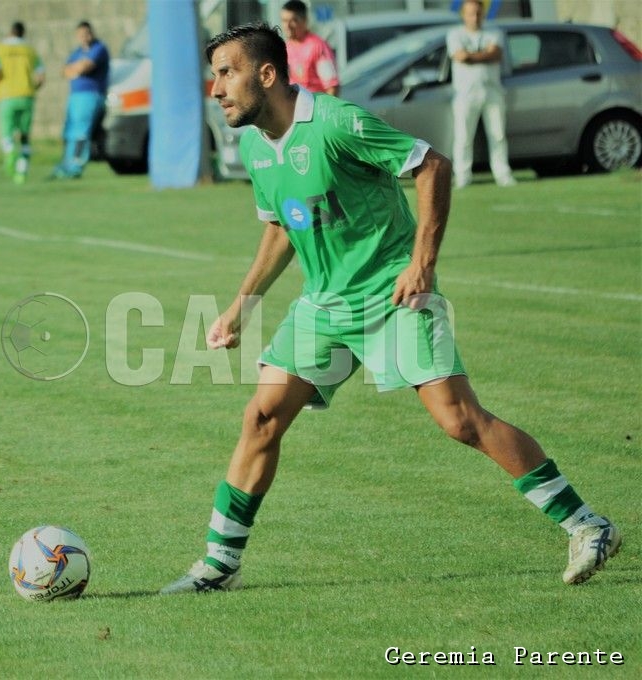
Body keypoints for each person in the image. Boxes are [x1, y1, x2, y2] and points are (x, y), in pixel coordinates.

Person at [160, 22, 620, 594]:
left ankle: (587, 524)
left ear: (268, 74)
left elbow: (433, 166)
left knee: (459, 421)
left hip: (392, 295)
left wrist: (421, 263)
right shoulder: (254, 144)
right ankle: (218, 567)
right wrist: (241, 306)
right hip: (325, 307)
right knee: (261, 418)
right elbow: (283, 226)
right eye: (214, 76)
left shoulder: (336, 123)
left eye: (226, 73)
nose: (216, 89)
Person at [447, 0, 516, 188]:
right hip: (465, 94)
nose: (475, 18)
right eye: (471, 14)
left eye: (478, 13)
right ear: (463, 15)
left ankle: (502, 174)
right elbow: (461, 56)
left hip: (492, 91)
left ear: (483, 14)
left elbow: (495, 54)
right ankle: (462, 176)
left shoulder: (494, 32)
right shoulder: (455, 34)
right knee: (463, 137)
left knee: (498, 135)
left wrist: (473, 56)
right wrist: (482, 55)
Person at [0, 21, 45, 185]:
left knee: (6, 134)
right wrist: (33, 88)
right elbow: (41, 77)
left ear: (9, 32)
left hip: (6, 97)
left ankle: (10, 152)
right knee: (25, 137)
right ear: (23, 33)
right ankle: (21, 172)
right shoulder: (30, 50)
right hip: (27, 96)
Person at [52, 21, 108, 179]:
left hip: (90, 95)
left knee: (80, 132)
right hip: (75, 96)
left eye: (88, 33)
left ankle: (75, 166)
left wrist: (77, 69)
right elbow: (64, 71)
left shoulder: (99, 48)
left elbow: (85, 68)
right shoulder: (77, 53)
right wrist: (76, 68)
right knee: (69, 132)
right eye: (82, 34)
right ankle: (65, 164)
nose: (86, 37)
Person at [280, 0, 339, 96]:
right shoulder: (285, 47)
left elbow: (332, 87)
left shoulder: (317, 47)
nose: (287, 26)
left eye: (293, 20)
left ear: (304, 20)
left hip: (315, 107)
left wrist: (322, 110)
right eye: (284, 21)